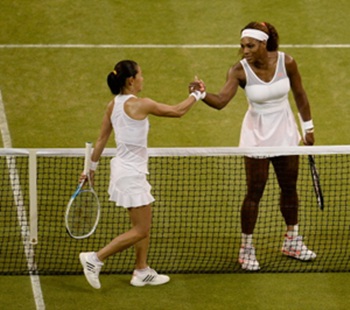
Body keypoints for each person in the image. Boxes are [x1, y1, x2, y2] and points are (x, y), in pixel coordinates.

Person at [190, 22, 316, 271]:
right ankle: (246, 247)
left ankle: (292, 239)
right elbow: (222, 101)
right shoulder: (239, 71)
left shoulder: (287, 62)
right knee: (255, 191)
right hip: (256, 135)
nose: (245, 50)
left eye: (250, 45)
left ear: (264, 44)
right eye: (242, 45)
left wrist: (308, 128)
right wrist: (202, 95)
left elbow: (300, 94)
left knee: (289, 187)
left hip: (285, 131)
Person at [79, 60, 205, 288]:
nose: (143, 78)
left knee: (143, 224)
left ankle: (141, 270)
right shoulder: (140, 104)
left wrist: (90, 169)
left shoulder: (113, 104)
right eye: (141, 75)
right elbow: (177, 111)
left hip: (126, 171)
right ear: (131, 80)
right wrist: (197, 95)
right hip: (130, 175)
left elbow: (101, 140)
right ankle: (95, 259)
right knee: (141, 229)